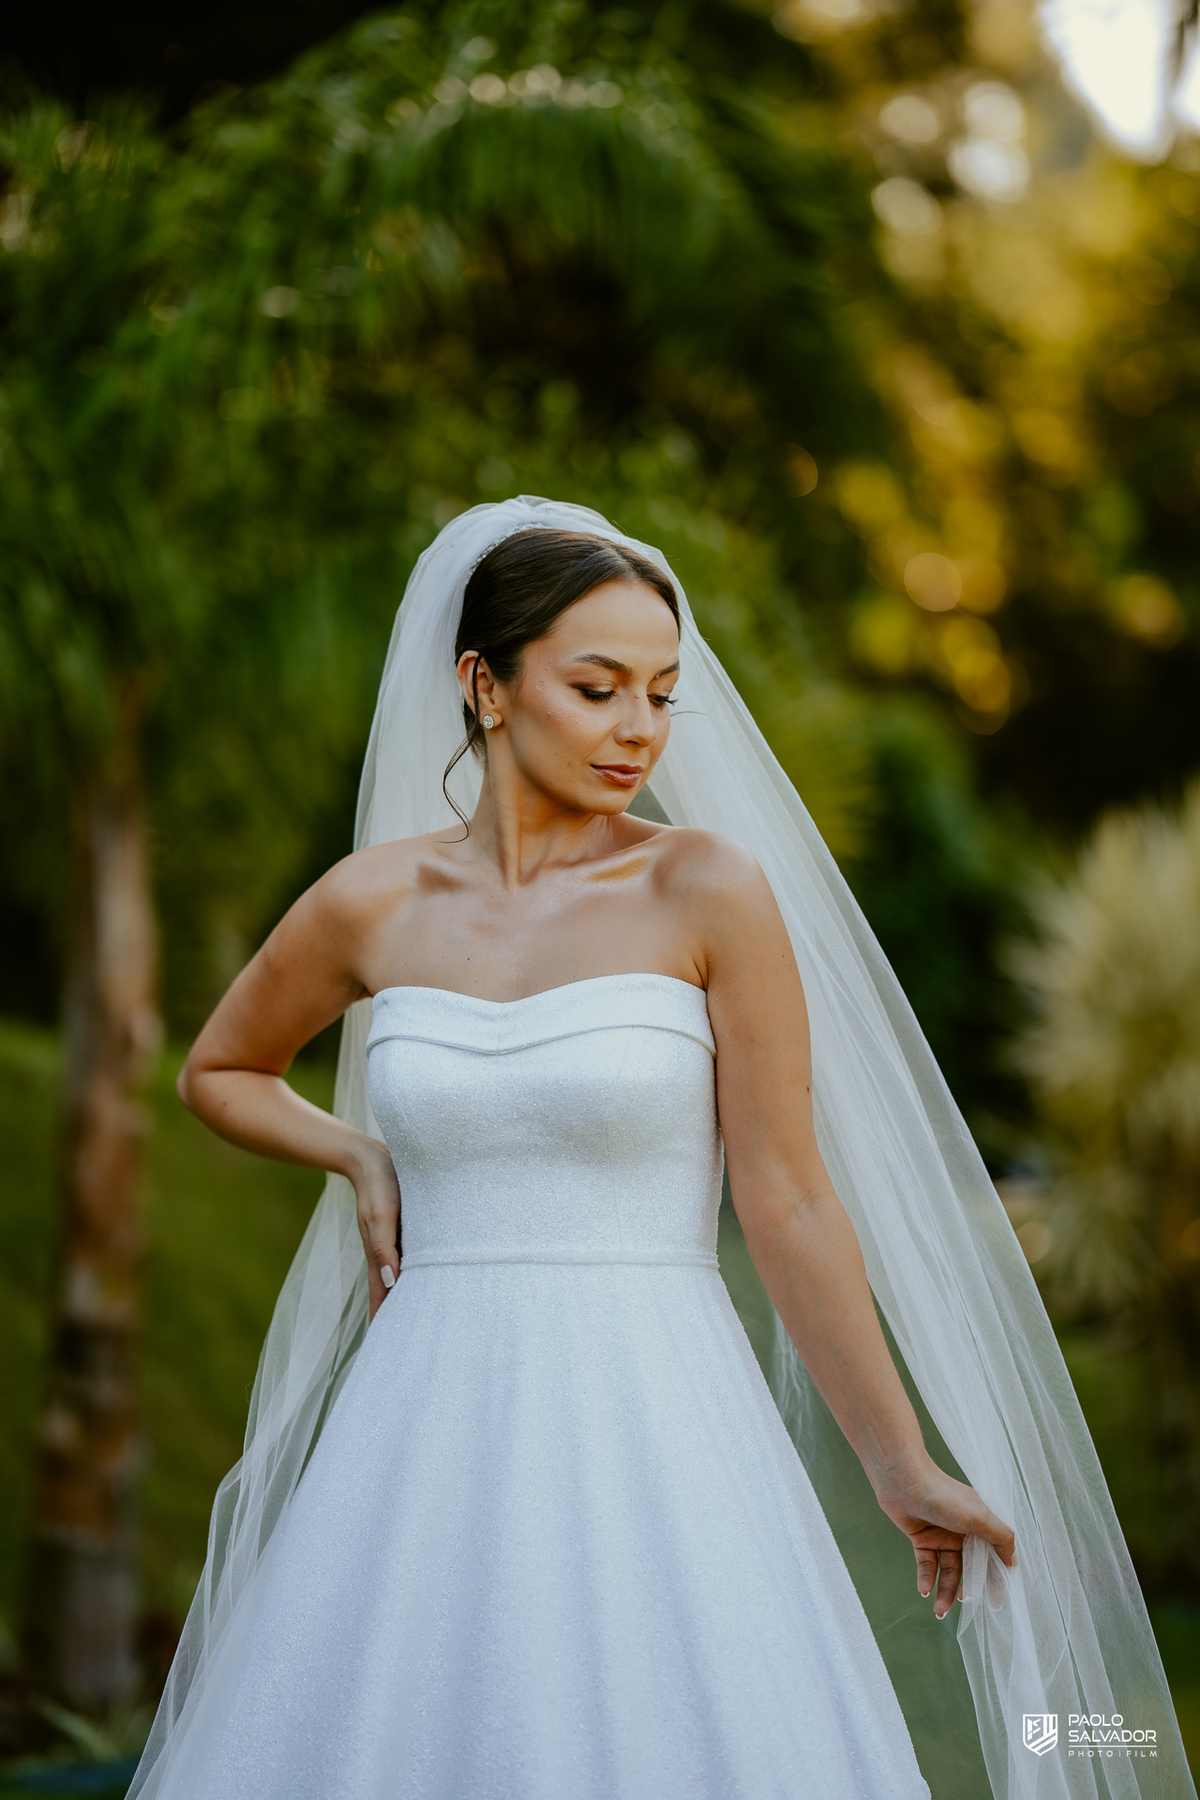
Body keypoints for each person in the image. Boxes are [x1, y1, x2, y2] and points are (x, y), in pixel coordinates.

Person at [128, 499, 1192, 1800]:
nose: (639, 727)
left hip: (658, 1413)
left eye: (661, 693)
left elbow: (790, 1197)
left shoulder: (707, 891)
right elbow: (218, 1071)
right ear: (485, 685)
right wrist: (357, 1154)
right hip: (424, 1422)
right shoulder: (372, 903)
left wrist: (900, 1460)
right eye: (597, 687)